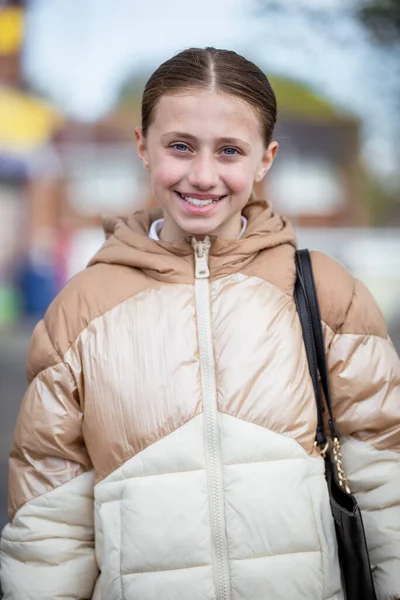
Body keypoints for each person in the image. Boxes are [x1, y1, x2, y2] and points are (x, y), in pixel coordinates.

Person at [0, 47, 399, 600]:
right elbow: (49, 521)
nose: (203, 174)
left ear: (266, 159)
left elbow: (387, 480)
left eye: (230, 150)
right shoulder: (79, 311)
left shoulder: (325, 291)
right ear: (143, 147)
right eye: (180, 146)